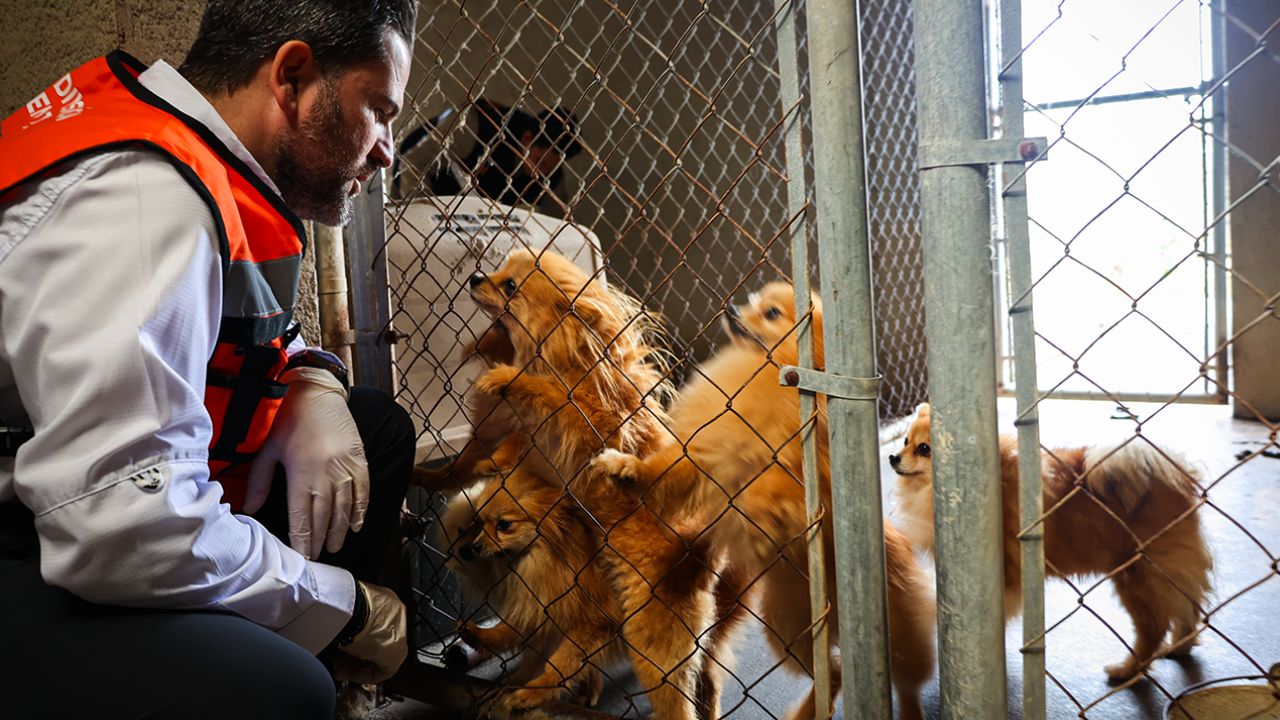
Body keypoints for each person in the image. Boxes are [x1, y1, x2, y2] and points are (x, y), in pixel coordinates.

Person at [0, 1, 419, 718]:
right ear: (291, 77)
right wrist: (343, 606)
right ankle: (321, 663)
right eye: (377, 110)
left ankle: (320, 656)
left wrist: (311, 376)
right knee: (279, 689)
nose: (386, 149)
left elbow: (237, 337)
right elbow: (123, 525)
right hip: (52, 528)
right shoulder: (148, 198)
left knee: (373, 426)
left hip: (63, 492)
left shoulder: (195, 153)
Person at [391, 98, 582, 213]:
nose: (540, 174)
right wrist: (424, 215)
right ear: (527, 138)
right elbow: (412, 164)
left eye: (549, 168)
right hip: (417, 179)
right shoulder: (480, 124)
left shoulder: (551, 175)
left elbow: (557, 222)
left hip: (472, 211)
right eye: (540, 162)